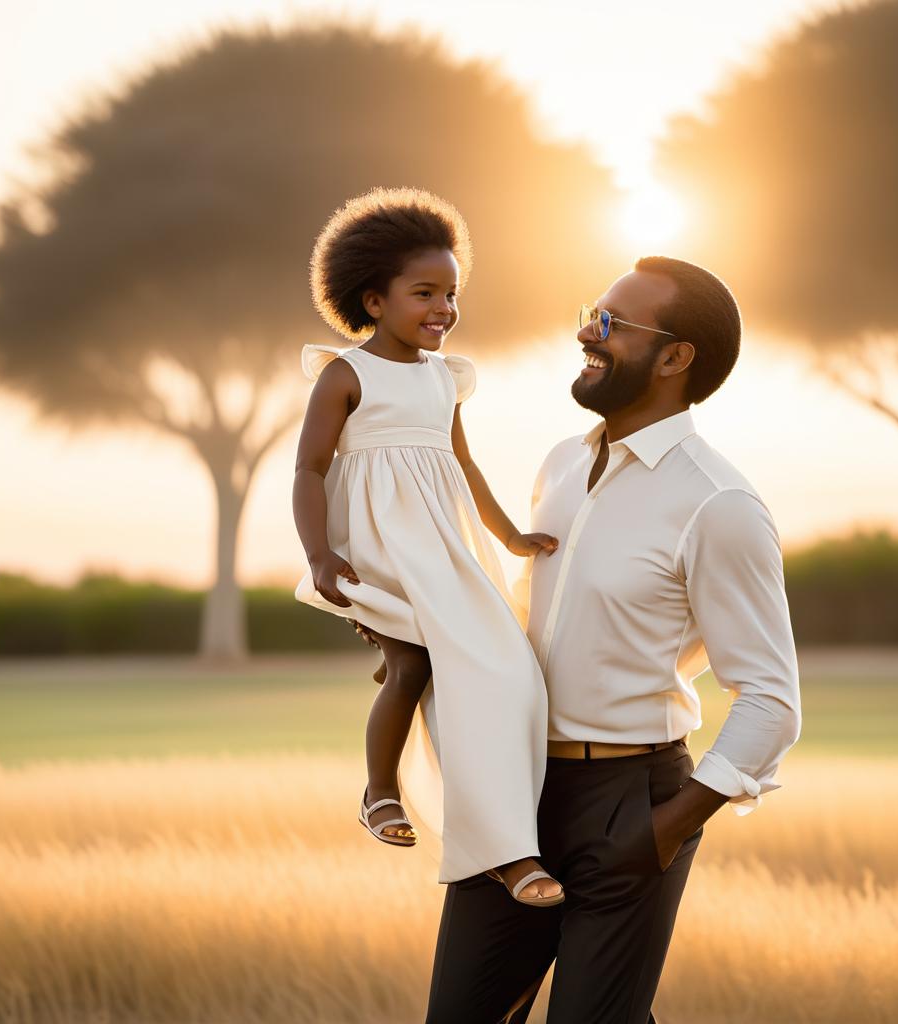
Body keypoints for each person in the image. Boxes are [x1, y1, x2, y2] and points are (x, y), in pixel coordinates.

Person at [425, 257, 802, 1023]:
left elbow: (771, 701)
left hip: (631, 803)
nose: (583, 333)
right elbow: (525, 627)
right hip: (516, 795)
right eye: (589, 313)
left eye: (610, 324)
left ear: (674, 357)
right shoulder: (560, 466)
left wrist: (661, 833)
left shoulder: (719, 503)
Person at [292, 186, 563, 905]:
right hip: (380, 556)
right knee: (411, 665)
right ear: (373, 301)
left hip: (448, 554)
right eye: (425, 293)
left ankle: (514, 834)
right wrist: (320, 556)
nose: (445, 308)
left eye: (452, 293)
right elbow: (309, 471)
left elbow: (464, 467)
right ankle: (383, 793)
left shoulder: (447, 380)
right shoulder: (345, 376)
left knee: (511, 675)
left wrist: (509, 536)